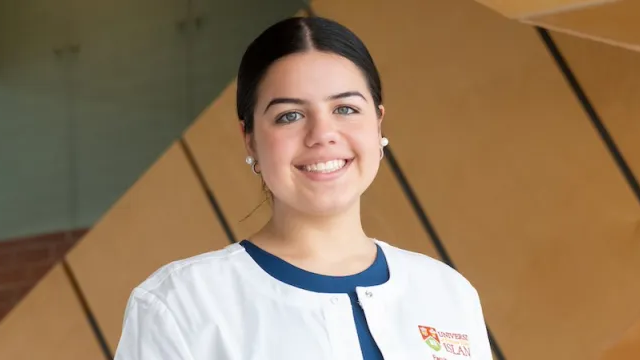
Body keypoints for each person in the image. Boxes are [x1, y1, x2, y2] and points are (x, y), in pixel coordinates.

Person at [113, 16, 492, 360]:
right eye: (289, 116)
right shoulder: (180, 305)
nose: (322, 135)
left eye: (345, 109)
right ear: (249, 139)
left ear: (378, 125)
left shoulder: (448, 294)